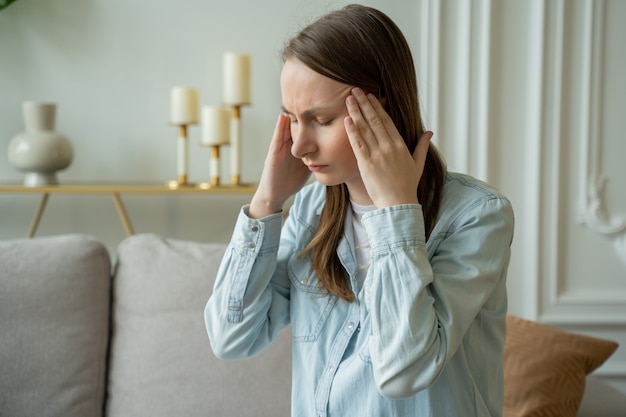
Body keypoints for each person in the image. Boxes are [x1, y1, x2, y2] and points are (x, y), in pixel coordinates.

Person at [205, 4, 514, 416]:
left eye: (321, 119)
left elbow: (404, 372)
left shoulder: (478, 216)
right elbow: (231, 338)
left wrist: (395, 211)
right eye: (292, 119)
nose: (299, 146)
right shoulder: (311, 210)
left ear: (381, 110)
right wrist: (266, 202)